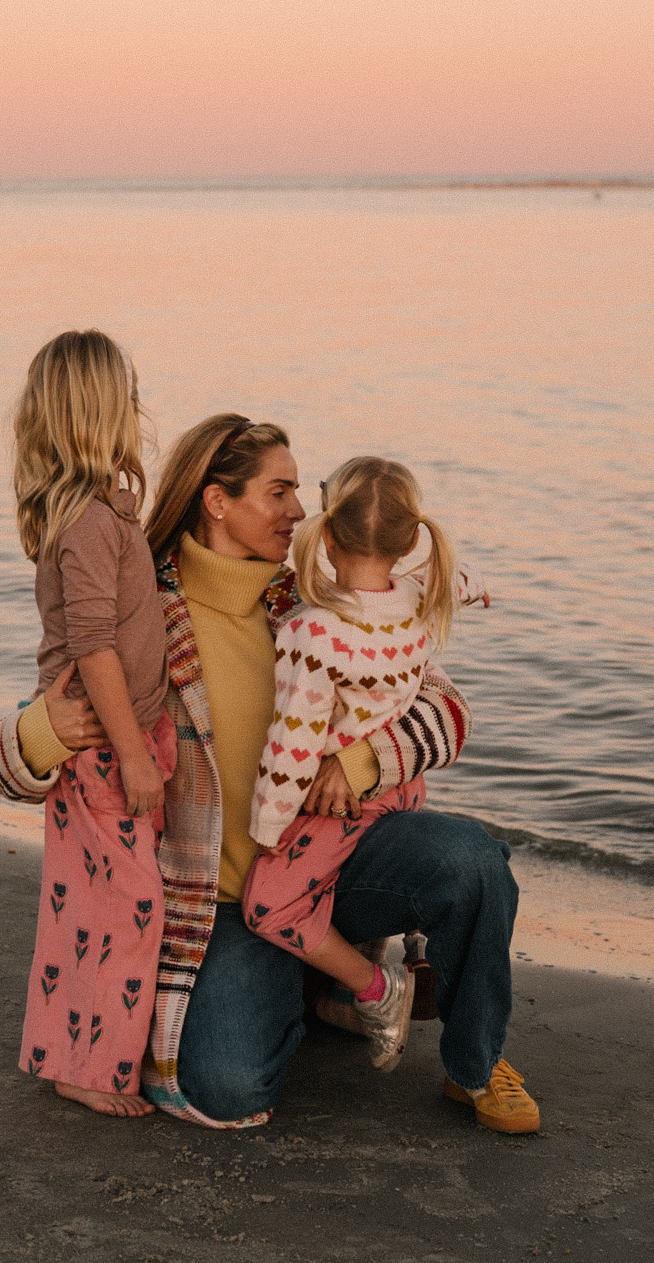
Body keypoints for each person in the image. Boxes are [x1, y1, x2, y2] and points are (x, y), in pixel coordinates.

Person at [0, 414, 537, 1134]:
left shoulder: (310, 599)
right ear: (218, 501)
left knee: (472, 862)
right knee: (229, 1088)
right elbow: (5, 768)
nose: (301, 511)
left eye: (299, 492)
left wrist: (359, 761)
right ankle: (313, 986)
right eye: (278, 493)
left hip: (340, 861)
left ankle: (476, 1064)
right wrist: (43, 730)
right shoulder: (141, 617)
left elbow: (446, 705)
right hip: (227, 905)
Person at [242, 455, 485, 1072]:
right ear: (410, 541)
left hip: (341, 804)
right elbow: (461, 580)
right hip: (404, 789)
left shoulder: (316, 632)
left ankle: (381, 991)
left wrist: (267, 831)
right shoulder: (420, 595)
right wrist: (480, 587)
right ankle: (388, 965)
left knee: (269, 907)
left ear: (325, 531)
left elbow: (294, 747)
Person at [9, 331, 174, 1117]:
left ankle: (80, 1048)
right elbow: (93, 643)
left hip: (115, 740)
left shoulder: (106, 512)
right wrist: (136, 754)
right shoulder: (87, 524)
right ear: (106, 411)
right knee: (121, 910)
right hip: (101, 748)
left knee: (95, 905)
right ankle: (85, 1065)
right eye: (128, 397)